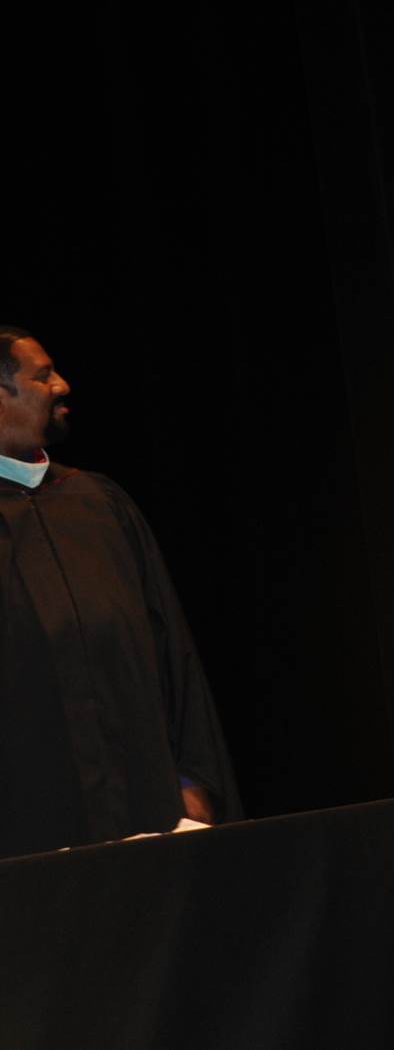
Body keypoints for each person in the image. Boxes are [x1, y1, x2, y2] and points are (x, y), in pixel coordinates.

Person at [0, 325, 240, 858]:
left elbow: (173, 652)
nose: (62, 385)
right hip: (30, 833)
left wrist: (193, 778)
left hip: (148, 811)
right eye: (42, 376)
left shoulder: (98, 503)